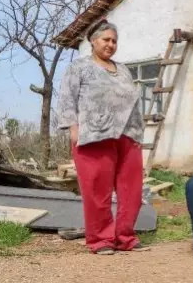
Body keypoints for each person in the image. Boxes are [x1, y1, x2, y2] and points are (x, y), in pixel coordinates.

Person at [56, 19, 146, 255]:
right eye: (106, 39)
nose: (111, 44)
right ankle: (101, 240)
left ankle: (125, 236)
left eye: (114, 41)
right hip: (94, 135)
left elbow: (133, 102)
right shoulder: (79, 67)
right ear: (93, 41)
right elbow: (67, 98)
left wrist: (138, 132)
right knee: (97, 190)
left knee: (132, 190)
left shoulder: (123, 69)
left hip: (127, 134)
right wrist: (72, 128)